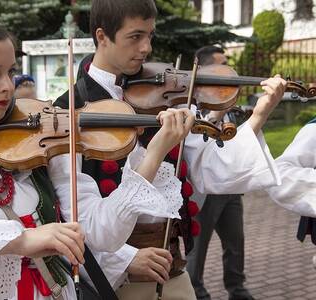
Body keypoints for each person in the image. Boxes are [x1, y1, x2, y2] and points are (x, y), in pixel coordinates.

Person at [0, 14, 197, 300]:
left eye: (10, 72)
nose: (7, 86)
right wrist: (18, 240)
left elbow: (103, 234)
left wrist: (153, 155)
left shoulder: (39, 147)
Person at [54, 1, 286, 299]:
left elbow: (210, 168)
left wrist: (259, 116)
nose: (147, 47)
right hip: (116, 281)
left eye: (150, 35)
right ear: (102, 36)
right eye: (135, 37)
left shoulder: (162, 95)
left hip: (174, 272)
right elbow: (71, 217)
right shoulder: (69, 111)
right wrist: (125, 259)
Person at [186, 46, 253, 300]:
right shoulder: (191, 103)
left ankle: (237, 289)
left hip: (231, 189)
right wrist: (220, 111)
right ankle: (197, 292)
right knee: (197, 249)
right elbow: (199, 140)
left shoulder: (229, 99)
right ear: (204, 70)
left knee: (236, 244)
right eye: (222, 65)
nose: (230, 71)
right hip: (206, 191)